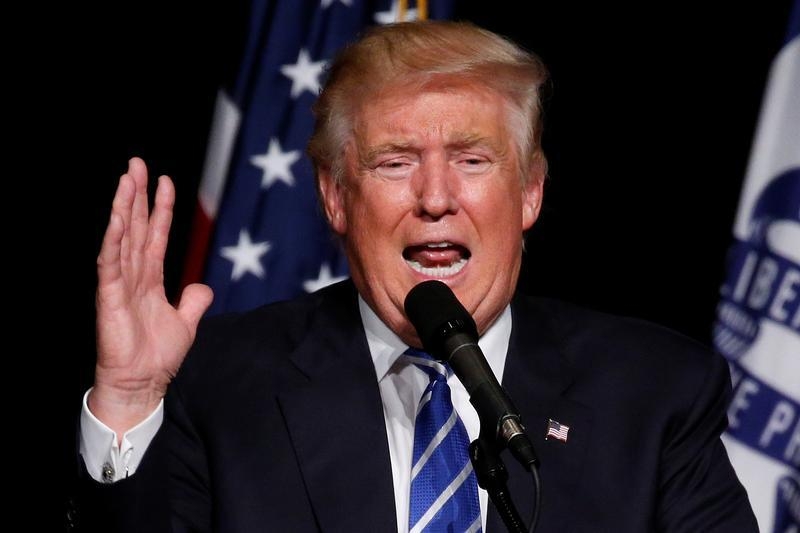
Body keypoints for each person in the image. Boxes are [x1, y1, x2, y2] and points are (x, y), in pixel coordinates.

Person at [70, 20, 758, 532]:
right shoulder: (223, 383)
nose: (434, 197)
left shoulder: (653, 392)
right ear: (336, 195)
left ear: (530, 194)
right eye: (395, 162)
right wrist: (130, 402)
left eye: (472, 159)